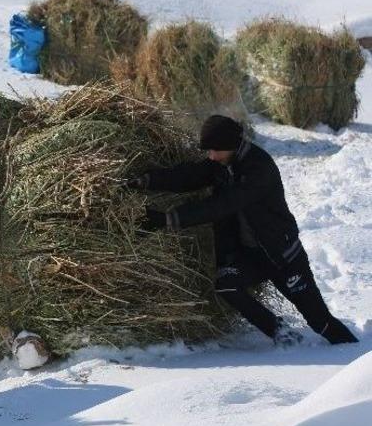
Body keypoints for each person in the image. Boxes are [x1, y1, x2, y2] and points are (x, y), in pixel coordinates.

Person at [130, 114, 358, 347]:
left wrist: (168, 219)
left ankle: (355, 358)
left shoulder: (258, 168)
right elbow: (191, 176)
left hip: (284, 257)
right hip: (252, 257)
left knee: (321, 323)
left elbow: (222, 205)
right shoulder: (223, 162)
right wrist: (147, 180)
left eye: (214, 150)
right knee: (226, 284)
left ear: (230, 145)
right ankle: (281, 333)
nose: (210, 155)